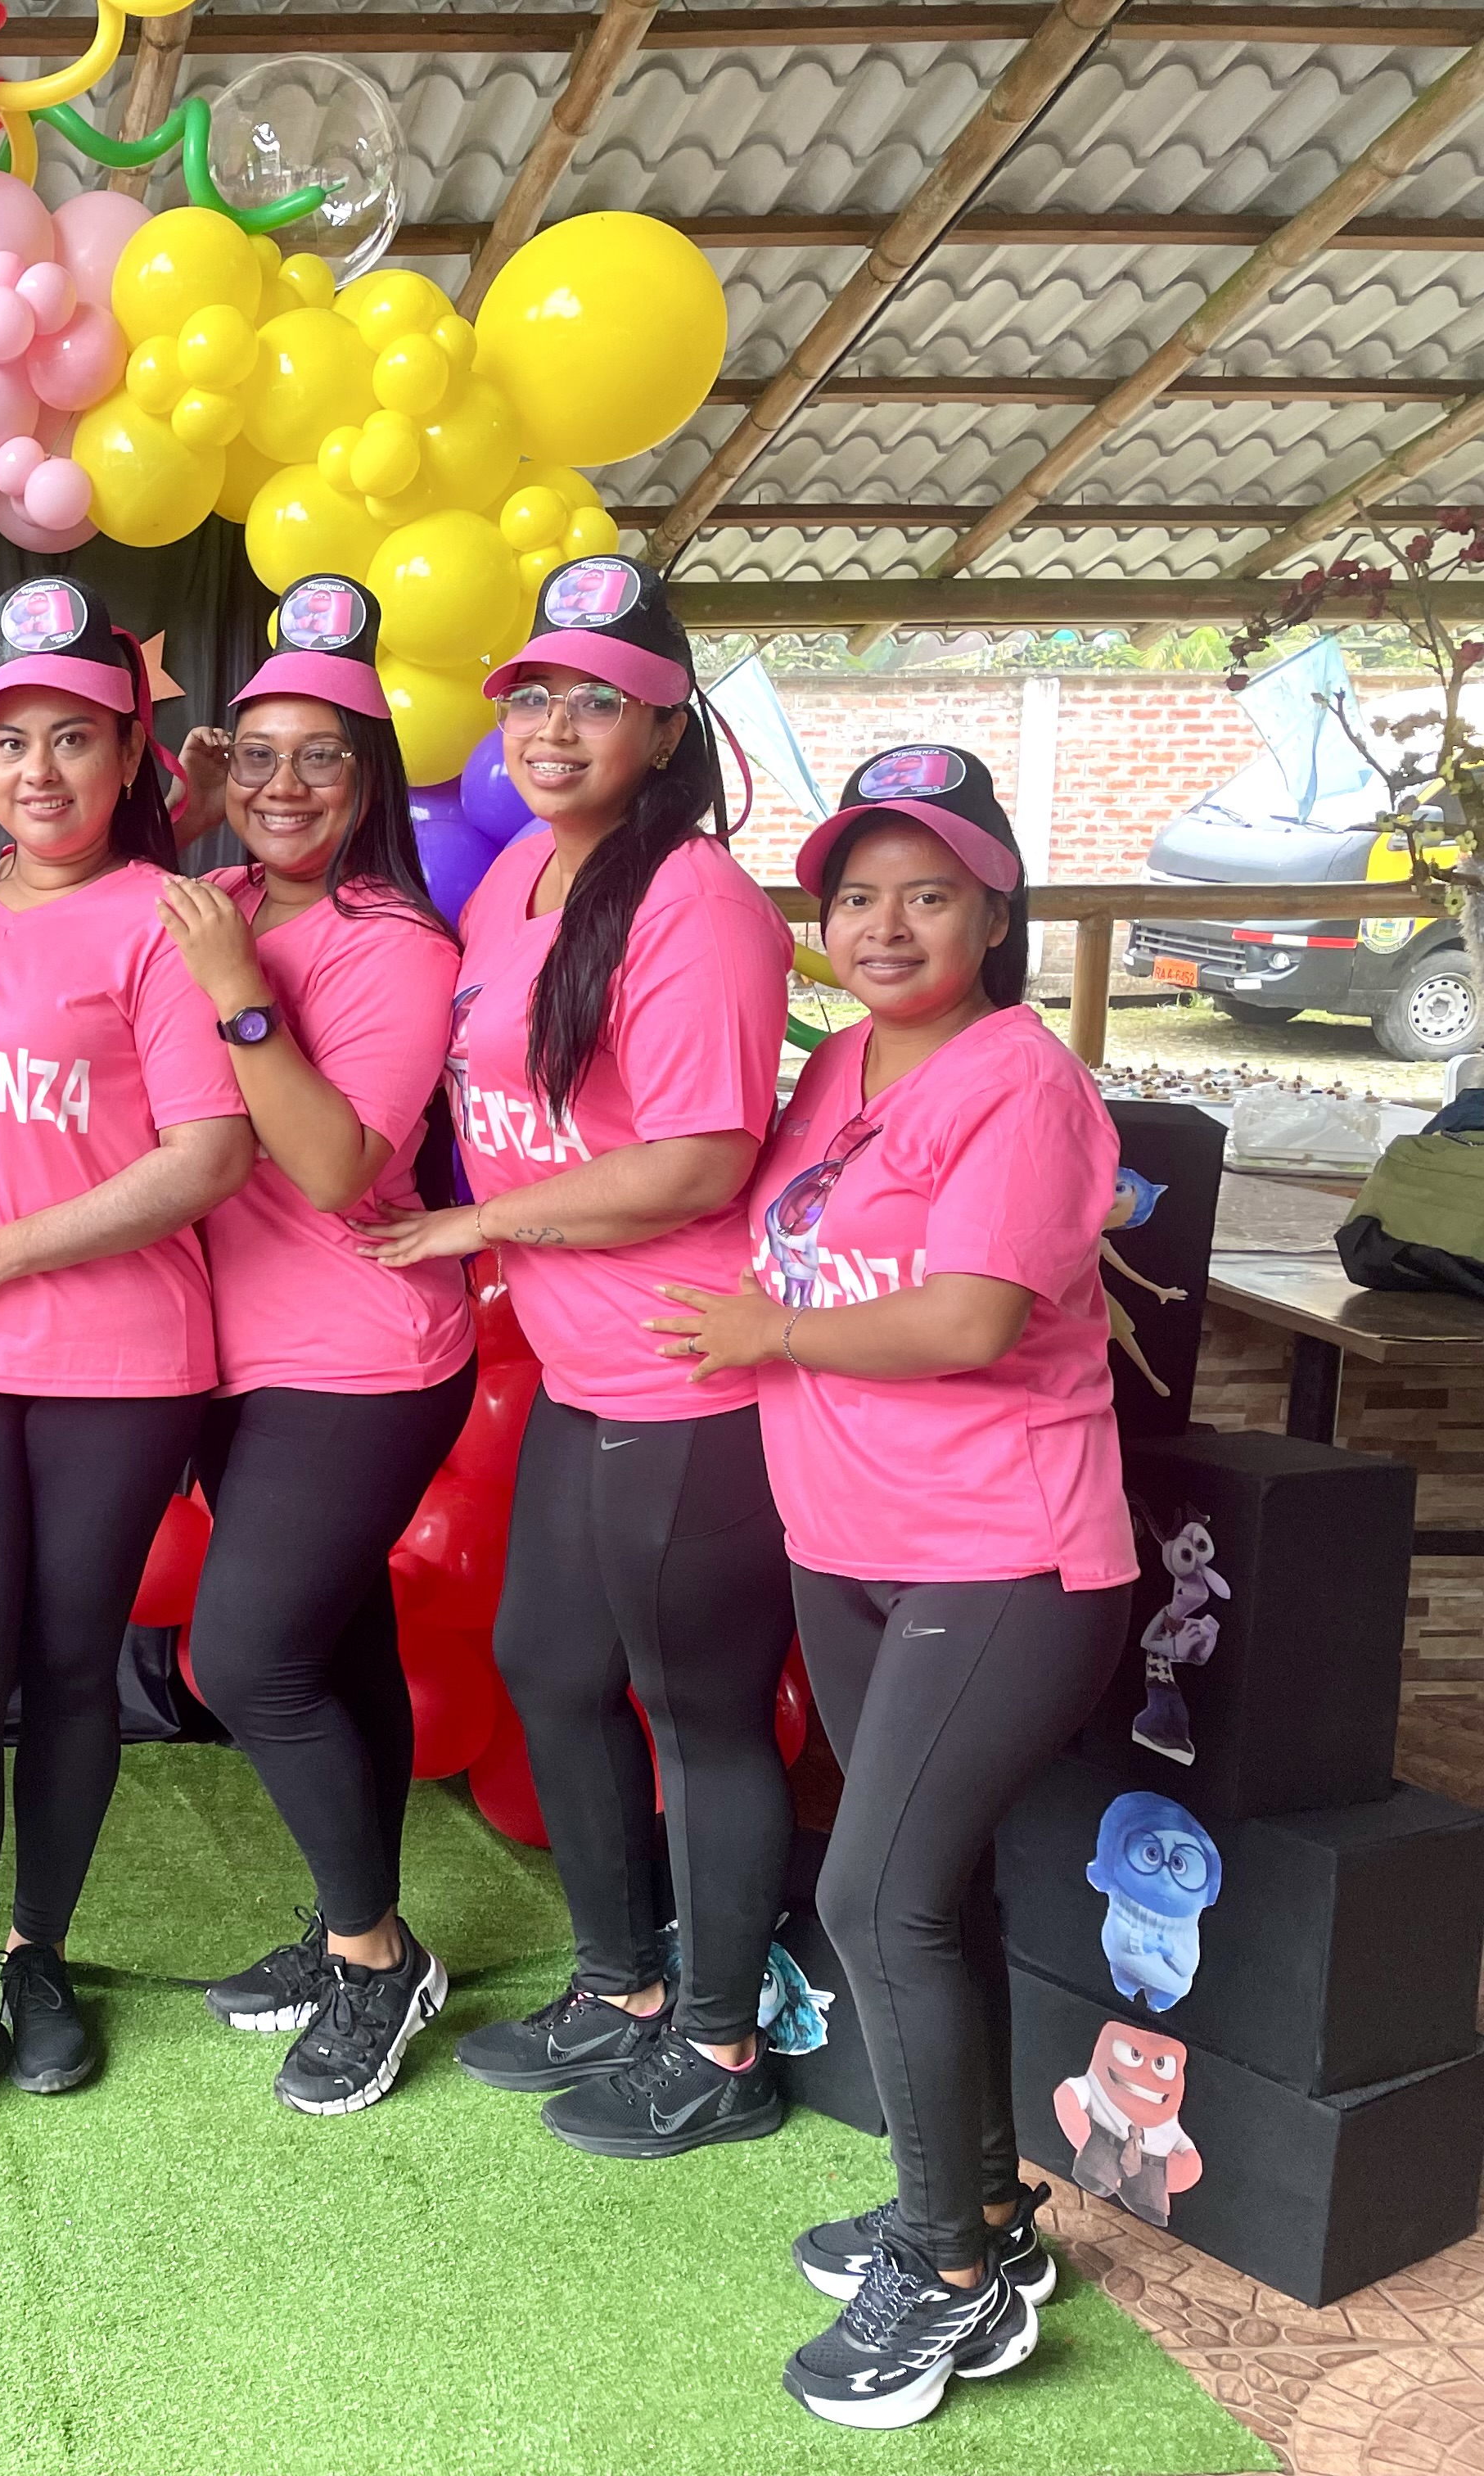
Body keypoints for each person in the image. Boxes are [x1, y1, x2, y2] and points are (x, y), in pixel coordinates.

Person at [649, 747, 1125, 2428]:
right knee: (931, 1892)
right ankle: (983, 2209)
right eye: (857, 896)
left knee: (872, 1900)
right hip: (848, 1541)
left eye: (932, 893)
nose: (888, 924)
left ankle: (948, 2278)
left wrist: (773, 1332)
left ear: (997, 913)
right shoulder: (842, 1060)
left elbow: (973, 1318)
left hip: (1001, 1551)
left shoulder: (1022, 1082)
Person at [366, 553, 797, 2158]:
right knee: (551, 1667)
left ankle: (723, 2048)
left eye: (596, 702)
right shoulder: (517, 888)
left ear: (666, 730)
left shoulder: (698, 904)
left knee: (700, 1714)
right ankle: (622, 1987)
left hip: (691, 1374)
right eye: (534, 696)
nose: (552, 727)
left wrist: (480, 1226)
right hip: (582, 1367)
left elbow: (699, 1158)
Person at [0, 578, 253, 2151]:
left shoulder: (167, 920)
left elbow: (211, 1154)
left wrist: (12, 1250)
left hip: (119, 1360)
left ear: (130, 754)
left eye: (75, 738)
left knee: (72, 1666)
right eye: (13, 739)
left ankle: (39, 1955)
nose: (40, 770)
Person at [160, 576, 474, 2116]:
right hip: (233, 1351)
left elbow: (342, 1167)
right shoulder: (219, 892)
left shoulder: (395, 944)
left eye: (322, 758)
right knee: (338, 1648)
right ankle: (358, 1919)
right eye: (259, 756)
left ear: (371, 779)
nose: (285, 786)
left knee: (246, 1655)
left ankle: (373, 1957)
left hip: (358, 1352)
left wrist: (238, 996)